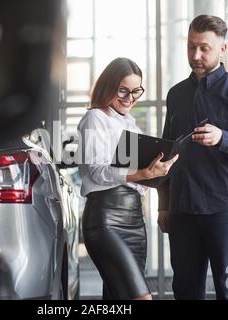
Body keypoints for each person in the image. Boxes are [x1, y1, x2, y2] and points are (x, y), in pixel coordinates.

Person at [157, 15, 228, 300]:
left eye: (204, 48)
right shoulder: (175, 95)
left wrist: (223, 138)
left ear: (222, 50)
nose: (196, 55)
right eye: (191, 47)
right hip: (182, 211)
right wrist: (164, 205)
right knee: (185, 292)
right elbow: (168, 153)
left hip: (226, 211)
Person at [77, 57, 178, 300]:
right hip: (106, 219)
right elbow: (97, 171)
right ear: (108, 86)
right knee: (140, 297)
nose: (130, 97)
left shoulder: (131, 124)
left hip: (134, 219)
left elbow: (134, 178)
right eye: (123, 90)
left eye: (136, 91)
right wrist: (141, 174)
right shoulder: (96, 118)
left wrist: (155, 173)